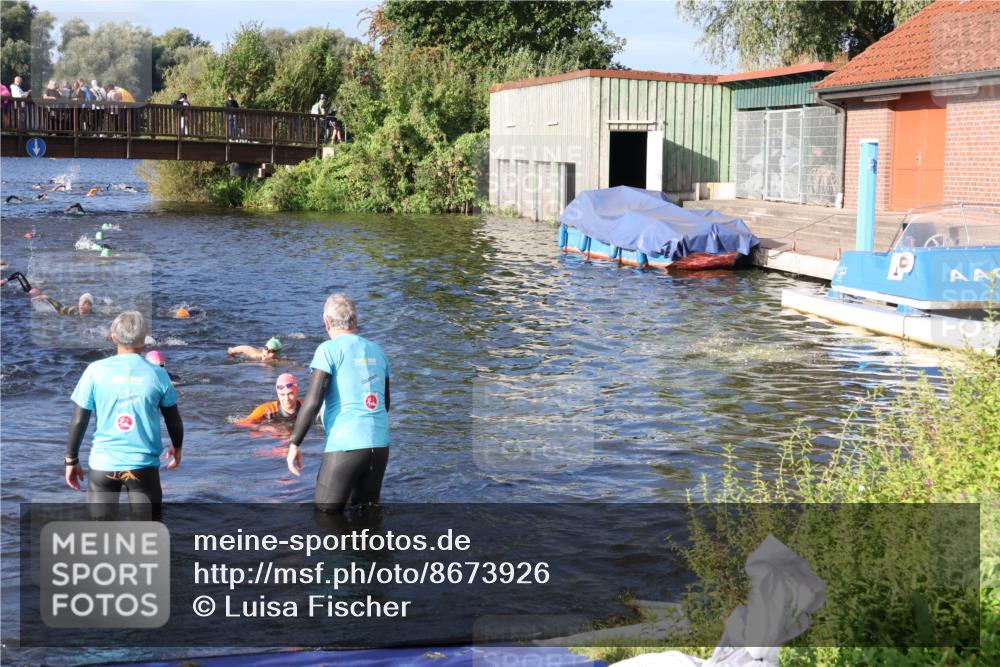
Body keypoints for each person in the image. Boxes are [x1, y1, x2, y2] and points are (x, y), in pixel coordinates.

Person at [65, 311, 183, 519]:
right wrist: (177, 448)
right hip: (143, 467)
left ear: (112, 336)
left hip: (103, 465)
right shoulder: (158, 374)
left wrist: (71, 460)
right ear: (145, 339)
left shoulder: (95, 370)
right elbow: (173, 418)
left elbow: (79, 419)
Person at [287, 294, 391, 513]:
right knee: (367, 516)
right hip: (380, 445)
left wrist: (295, 443)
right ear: (356, 321)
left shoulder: (328, 350)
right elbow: (386, 403)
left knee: (326, 516)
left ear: (326, 323)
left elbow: (312, 402)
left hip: (345, 444)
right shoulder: (378, 351)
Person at [237, 373, 302, 427]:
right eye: (282, 395)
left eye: (290, 394)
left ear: (297, 391)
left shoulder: (306, 407)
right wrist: (266, 429)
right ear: (278, 394)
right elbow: (241, 424)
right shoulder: (267, 409)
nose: (286, 399)